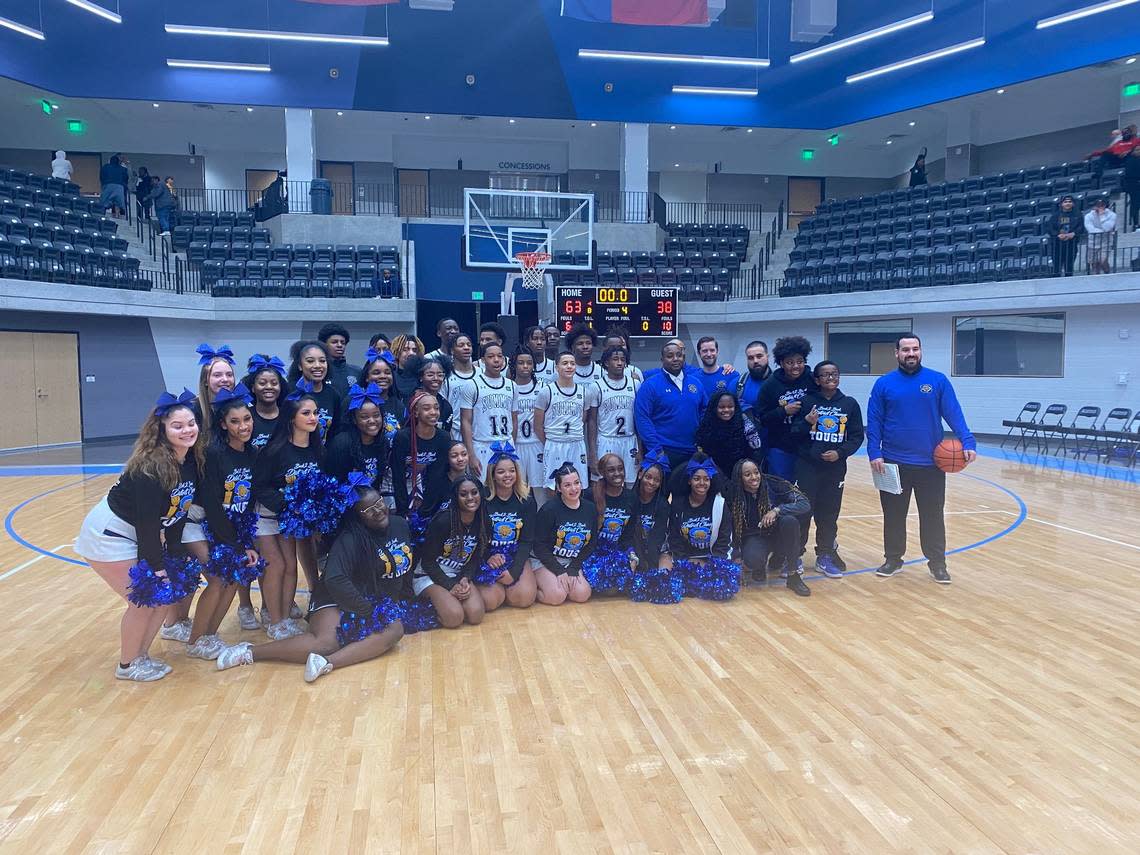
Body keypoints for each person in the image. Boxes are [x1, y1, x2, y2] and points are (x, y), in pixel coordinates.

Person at [73, 390, 203, 681]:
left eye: (191, 423)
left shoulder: (190, 462)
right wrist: (157, 567)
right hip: (109, 535)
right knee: (146, 600)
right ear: (162, 430)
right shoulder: (149, 468)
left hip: (136, 534)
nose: (187, 430)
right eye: (178, 426)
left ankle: (141, 657)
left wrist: (175, 558)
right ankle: (128, 665)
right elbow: (147, 524)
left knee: (164, 599)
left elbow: (176, 515)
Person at [216, 487, 407, 681]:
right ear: (358, 517)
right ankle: (250, 651)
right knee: (326, 643)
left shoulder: (400, 525)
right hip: (333, 595)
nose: (378, 511)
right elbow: (335, 580)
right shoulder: (350, 538)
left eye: (379, 502)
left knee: (395, 629)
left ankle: (326, 663)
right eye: (368, 510)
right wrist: (368, 611)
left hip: (367, 596)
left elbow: (403, 564)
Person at [868, 335, 976, 584]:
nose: (911, 353)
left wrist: (967, 441)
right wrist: (874, 451)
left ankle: (937, 563)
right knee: (893, 515)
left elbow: (953, 413)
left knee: (933, 515)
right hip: (893, 463)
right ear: (896, 353)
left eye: (915, 349)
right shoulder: (884, 384)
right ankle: (893, 559)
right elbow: (874, 420)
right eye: (905, 349)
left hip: (931, 464)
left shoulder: (937, 381)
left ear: (921, 352)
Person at [186, 386, 263, 660]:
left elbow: (245, 506)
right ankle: (196, 640)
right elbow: (212, 505)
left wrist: (246, 544)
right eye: (235, 421)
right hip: (197, 523)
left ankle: (209, 636)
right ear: (223, 424)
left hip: (228, 526)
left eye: (247, 419)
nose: (243, 426)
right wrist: (234, 546)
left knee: (233, 576)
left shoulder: (252, 454)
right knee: (219, 580)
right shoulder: (214, 454)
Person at [251, 391, 325, 638]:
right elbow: (260, 487)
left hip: (291, 520)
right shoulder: (275, 450)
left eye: (315, 413)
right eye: (306, 413)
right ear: (291, 418)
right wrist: (287, 505)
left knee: (291, 566)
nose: (313, 418)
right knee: (277, 565)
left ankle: (282, 616)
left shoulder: (316, 448)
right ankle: (274, 620)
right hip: (267, 517)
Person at [790, 361, 864, 578]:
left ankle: (824, 555)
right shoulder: (807, 402)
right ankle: (795, 556)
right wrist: (806, 421)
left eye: (834, 374)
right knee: (803, 512)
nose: (830, 378)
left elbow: (857, 436)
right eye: (825, 375)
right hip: (808, 468)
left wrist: (840, 453)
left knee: (829, 515)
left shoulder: (850, 404)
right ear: (816, 379)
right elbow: (794, 433)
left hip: (834, 470)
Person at [411, 476, 488, 628]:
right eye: (463, 494)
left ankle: (448, 601)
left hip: (457, 574)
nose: (470, 498)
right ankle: (432, 603)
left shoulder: (484, 521)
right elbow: (427, 562)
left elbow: (474, 558)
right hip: (429, 575)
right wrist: (450, 585)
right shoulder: (443, 521)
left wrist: (466, 578)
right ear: (456, 497)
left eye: (474, 492)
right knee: (454, 618)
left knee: (476, 615)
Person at [726, 459, 810, 596]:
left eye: (756, 472)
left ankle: (793, 576)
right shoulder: (733, 493)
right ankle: (759, 566)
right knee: (753, 559)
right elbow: (729, 528)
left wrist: (777, 510)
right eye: (747, 474)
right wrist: (736, 556)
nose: (754, 477)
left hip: (778, 533)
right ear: (739, 478)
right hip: (754, 537)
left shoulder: (773, 484)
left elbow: (804, 504)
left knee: (790, 521)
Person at [473, 443, 538, 610]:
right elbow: (475, 535)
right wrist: (487, 556)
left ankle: (509, 587)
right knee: (489, 601)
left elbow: (527, 540)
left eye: (512, 470)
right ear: (492, 475)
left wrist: (514, 572)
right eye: (501, 472)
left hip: (515, 554)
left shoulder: (527, 500)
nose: (507, 475)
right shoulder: (483, 498)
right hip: (489, 555)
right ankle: (499, 591)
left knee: (524, 599)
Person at [668, 454, 741, 601]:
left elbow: (725, 540)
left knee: (723, 589)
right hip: (687, 560)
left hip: (712, 560)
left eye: (706, 479)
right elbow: (674, 540)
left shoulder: (720, 504)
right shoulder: (677, 504)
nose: (702, 483)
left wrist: (715, 564)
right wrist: (685, 563)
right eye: (697, 479)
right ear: (689, 481)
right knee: (676, 587)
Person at [634, 340, 707, 474]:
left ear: (683, 357)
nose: (675, 359)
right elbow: (642, 419)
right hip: (663, 452)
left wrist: (701, 439)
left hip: (691, 451)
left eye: (679, 355)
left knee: (687, 494)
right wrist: (656, 449)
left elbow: (705, 412)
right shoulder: (650, 385)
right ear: (662, 359)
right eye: (670, 356)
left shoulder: (696, 383)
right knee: (661, 494)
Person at [532, 462, 596, 605]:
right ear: (559, 488)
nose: (573, 489)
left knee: (582, 594)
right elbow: (539, 546)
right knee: (557, 596)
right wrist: (558, 570)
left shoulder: (590, 509)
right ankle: (533, 589)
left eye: (576, 483)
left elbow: (591, 543)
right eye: (567, 485)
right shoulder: (549, 510)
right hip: (545, 559)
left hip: (571, 561)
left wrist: (574, 567)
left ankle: (556, 583)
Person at [391, 390, 452, 538]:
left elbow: (438, 475)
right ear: (416, 413)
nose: (433, 412)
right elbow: (397, 475)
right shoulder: (403, 437)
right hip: (400, 485)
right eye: (427, 408)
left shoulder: (443, 437)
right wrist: (403, 510)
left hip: (427, 488)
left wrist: (426, 510)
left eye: (436, 408)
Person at [533, 351, 597, 493]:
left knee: (577, 485)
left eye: (572, 363)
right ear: (557, 367)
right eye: (565, 363)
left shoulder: (585, 392)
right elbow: (537, 425)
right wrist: (551, 442)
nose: (569, 366)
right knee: (553, 485)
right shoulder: (546, 392)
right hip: (555, 443)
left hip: (576, 443)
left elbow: (583, 419)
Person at [755, 336, 816, 482]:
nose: (795, 366)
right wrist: (784, 411)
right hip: (780, 447)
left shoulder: (813, 380)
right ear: (781, 363)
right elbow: (762, 419)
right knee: (781, 491)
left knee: (806, 492)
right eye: (790, 362)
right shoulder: (769, 386)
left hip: (808, 446)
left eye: (800, 361)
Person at [581, 454, 638, 595]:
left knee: (621, 587)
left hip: (615, 552)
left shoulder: (631, 497)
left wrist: (631, 555)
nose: (617, 473)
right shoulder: (590, 495)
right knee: (606, 590)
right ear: (603, 473)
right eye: (611, 470)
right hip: (592, 551)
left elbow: (628, 535)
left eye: (620, 469)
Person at [628, 450, 679, 603]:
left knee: (663, 582)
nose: (651, 482)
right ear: (640, 475)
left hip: (658, 550)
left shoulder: (663, 505)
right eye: (648, 477)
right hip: (634, 550)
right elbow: (629, 534)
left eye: (656, 480)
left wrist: (650, 567)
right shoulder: (630, 500)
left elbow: (657, 538)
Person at [459, 342, 515, 476]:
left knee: (507, 486)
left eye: (500, 356)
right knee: (484, 491)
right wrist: (471, 455)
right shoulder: (471, 385)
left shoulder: (512, 386)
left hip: (506, 444)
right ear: (483, 360)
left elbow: (514, 419)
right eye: (491, 356)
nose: (496, 360)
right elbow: (465, 421)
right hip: (483, 445)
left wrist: (513, 445)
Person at [588, 346, 641, 486]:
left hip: (629, 440)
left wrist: (641, 449)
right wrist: (592, 454)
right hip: (607, 440)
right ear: (606, 362)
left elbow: (640, 419)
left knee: (630, 484)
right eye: (615, 359)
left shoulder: (636, 385)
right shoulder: (596, 387)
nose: (619, 363)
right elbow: (591, 421)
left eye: (623, 359)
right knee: (603, 483)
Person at [326, 383, 389, 493]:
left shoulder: (383, 442)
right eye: (365, 417)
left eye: (376, 415)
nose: (372, 421)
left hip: (371, 502)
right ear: (354, 420)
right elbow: (334, 485)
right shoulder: (341, 444)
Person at [695, 390, 762, 478]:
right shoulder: (707, 425)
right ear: (714, 408)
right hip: (715, 474)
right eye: (722, 407)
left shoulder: (744, 422)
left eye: (730, 406)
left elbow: (756, 450)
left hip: (742, 473)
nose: (726, 410)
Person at [287, 341, 341, 441]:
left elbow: (334, 431)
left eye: (322, 361)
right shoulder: (290, 392)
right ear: (300, 366)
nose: (318, 365)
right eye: (310, 361)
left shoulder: (333, 395)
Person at [510, 351, 545, 492]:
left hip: (537, 444)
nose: (525, 366)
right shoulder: (508, 387)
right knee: (517, 489)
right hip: (516, 444)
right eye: (521, 362)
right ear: (514, 365)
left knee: (540, 491)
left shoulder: (543, 388)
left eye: (529, 363)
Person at [242, 354, 288, 451]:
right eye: (262, 383)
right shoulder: (245, 417)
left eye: (274, 383)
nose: (269, 387)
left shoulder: (289, 417)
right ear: (253, 388)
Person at [442, 333, 478, 441]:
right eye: (461, 345)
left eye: (469, 345)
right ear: (452, 350)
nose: (466, 348)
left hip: (479, 434)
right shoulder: (446, 377)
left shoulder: (482, 374)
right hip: (455, 433)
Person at [195, 342, 237, 435]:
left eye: (229, 375)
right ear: (205, 381)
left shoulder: (240, 405)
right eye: (217, 375)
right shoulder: (193, 409)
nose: (225, 379)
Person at [318, 323, 361, 397]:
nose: (339, 345)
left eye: (343, 342)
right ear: (324, 344)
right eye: (334, 342)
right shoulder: (318, 371)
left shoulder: (357, 371)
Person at [1048, 195, 1084, 277]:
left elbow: (1081, 228)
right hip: (1057, 245)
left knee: (1069, 266)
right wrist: (1058, 235)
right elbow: (1050, 228)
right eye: (1065, 202)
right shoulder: (1055, 216)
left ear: (1073, 204)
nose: (1068, 203)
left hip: (1072, 244)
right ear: (1061, 204)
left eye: (1070, 202)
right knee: (1056, 266)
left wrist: (1073, 234)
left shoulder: (1078, 215)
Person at [735, 340, 771, 413]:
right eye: (751, 358)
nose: (755, 361)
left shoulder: (780, 381)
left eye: (759, 356)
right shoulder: (737, 384)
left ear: (767, 357)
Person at [1084, 197, 1116, 275]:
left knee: (1103, 261)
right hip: (1092, 242)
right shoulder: (1088, 216)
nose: (1100, 207)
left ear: (1105, 206)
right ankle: (1096, 278)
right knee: (1094, 264)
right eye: (1098, 205)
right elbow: (1090, 228)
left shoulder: (1112, 215)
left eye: (1102, 205)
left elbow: (1108, 227)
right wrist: (1102, 231)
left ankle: (1107, 274)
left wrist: (1102, 216)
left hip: (1106, 241)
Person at [1125, 147, 1140, 233]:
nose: (1139, 151)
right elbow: (1129, 174)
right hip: (1134, 185)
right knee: (1135, 204)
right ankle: (1136, 224)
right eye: (1137, 150)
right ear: (1133, 152)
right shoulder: (1130, 161)